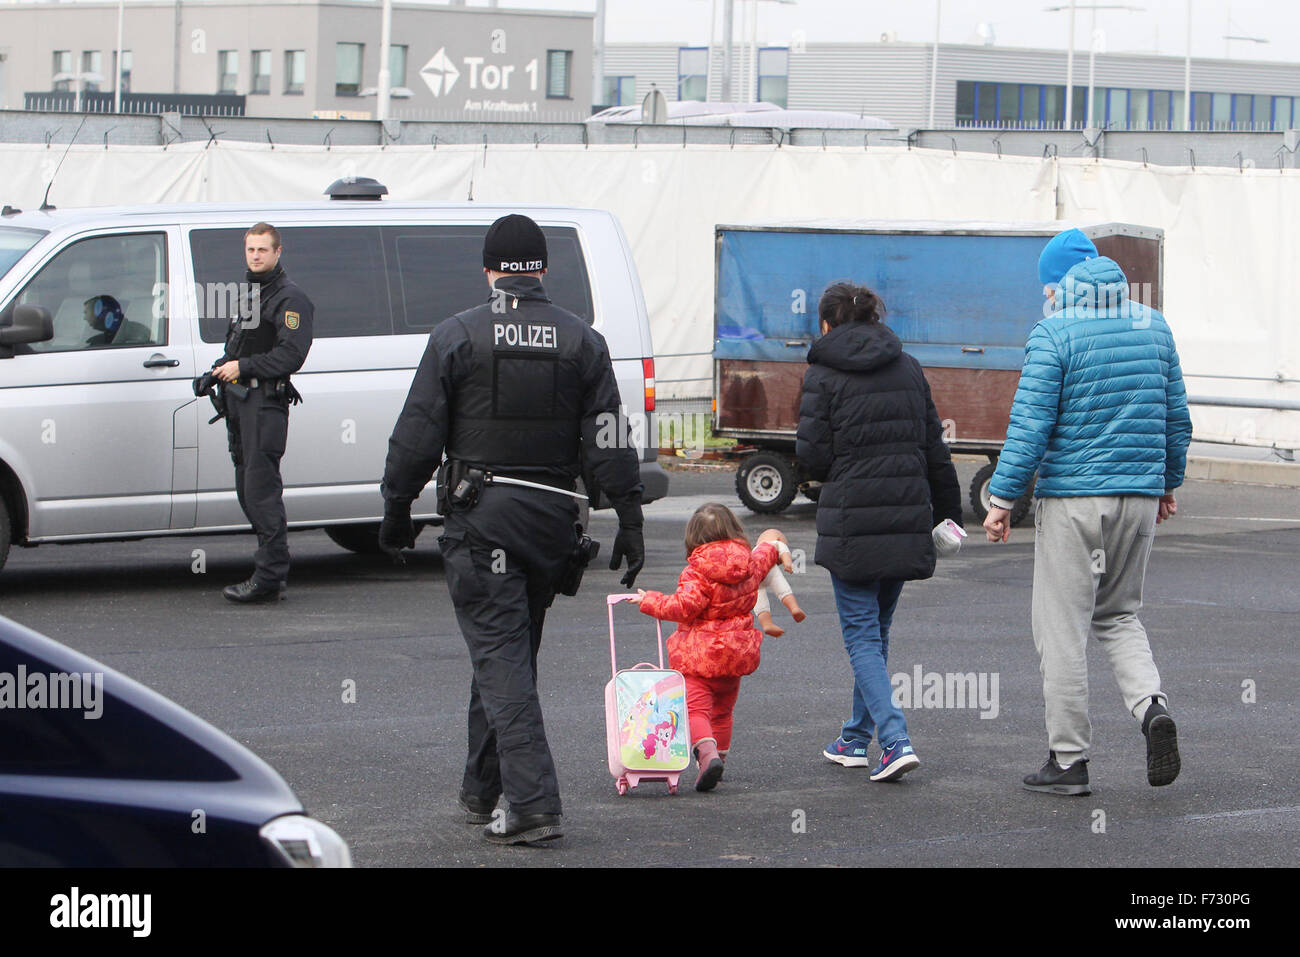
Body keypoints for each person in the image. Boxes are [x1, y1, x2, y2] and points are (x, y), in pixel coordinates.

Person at [378, 214, 645, 846]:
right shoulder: (583, 341)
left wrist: (395, 509)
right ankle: (482, 789)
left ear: (489, 268)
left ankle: (532, 804)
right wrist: (629, 519)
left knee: (501, 658)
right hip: (552, 524)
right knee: (508, 652)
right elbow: (608, 441)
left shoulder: (458, 335)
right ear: (543, 270)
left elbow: (417, 434)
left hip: (483, 523)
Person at [984, 228, 1191, 796]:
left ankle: (1069, 761)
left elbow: (1030, 427)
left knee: (1062, 628)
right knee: (1120, 614)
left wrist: (1002, 499)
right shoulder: (1155, 325)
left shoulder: (1053, 332)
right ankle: (1152, 708)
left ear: (1057, 285)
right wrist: (1167, 483)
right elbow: (1178, 418)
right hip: (1140, 500)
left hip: (1076, 500)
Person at [796, 282, 963, 782]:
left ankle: (893, 741)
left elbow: (813, 457)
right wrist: (947, 514)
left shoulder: (822, 375)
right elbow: (935, 447)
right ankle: (854, 739)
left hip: (852, 520)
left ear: (826, 325)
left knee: (863, 639)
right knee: (877, 636)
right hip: (907, 516)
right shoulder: (908, 368)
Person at [631, 503, 791, 791]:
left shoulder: (697, 572)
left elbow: (682, 607)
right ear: (734, 530)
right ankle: (720, 761)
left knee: (696, 711)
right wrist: (774, 542)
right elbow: (767, 552)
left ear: (694, 538)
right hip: (735, 657)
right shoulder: (750, 563)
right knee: (723, 711)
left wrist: (648, 601)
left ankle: (707, 754)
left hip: (699, 658)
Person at [213, 223, 314, 603]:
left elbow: (292, 354)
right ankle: (269, 569)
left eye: (262, 250)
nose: (255, 256)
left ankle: (270, 576)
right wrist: (218, 369)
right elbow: (238, 346)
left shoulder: (291, 299)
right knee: (247, 488)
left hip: (265, 404)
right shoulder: (251, 295)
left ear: (277, 252)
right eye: (250, 250)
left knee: (261, 490)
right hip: (241, 403)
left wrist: (244, 367)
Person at [753, 564, 804, 638]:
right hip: (769, 567)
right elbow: (783, 552)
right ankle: (794, 608)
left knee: (758, 595)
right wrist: (788, 564)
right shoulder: (770, 551)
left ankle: (767, 624)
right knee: (782, 589)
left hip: (751, 572)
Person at [82, 294, 152, 347]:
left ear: (101, 312)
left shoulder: (137, 333)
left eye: (86, 312)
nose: (84, 318)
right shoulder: (101, 339)